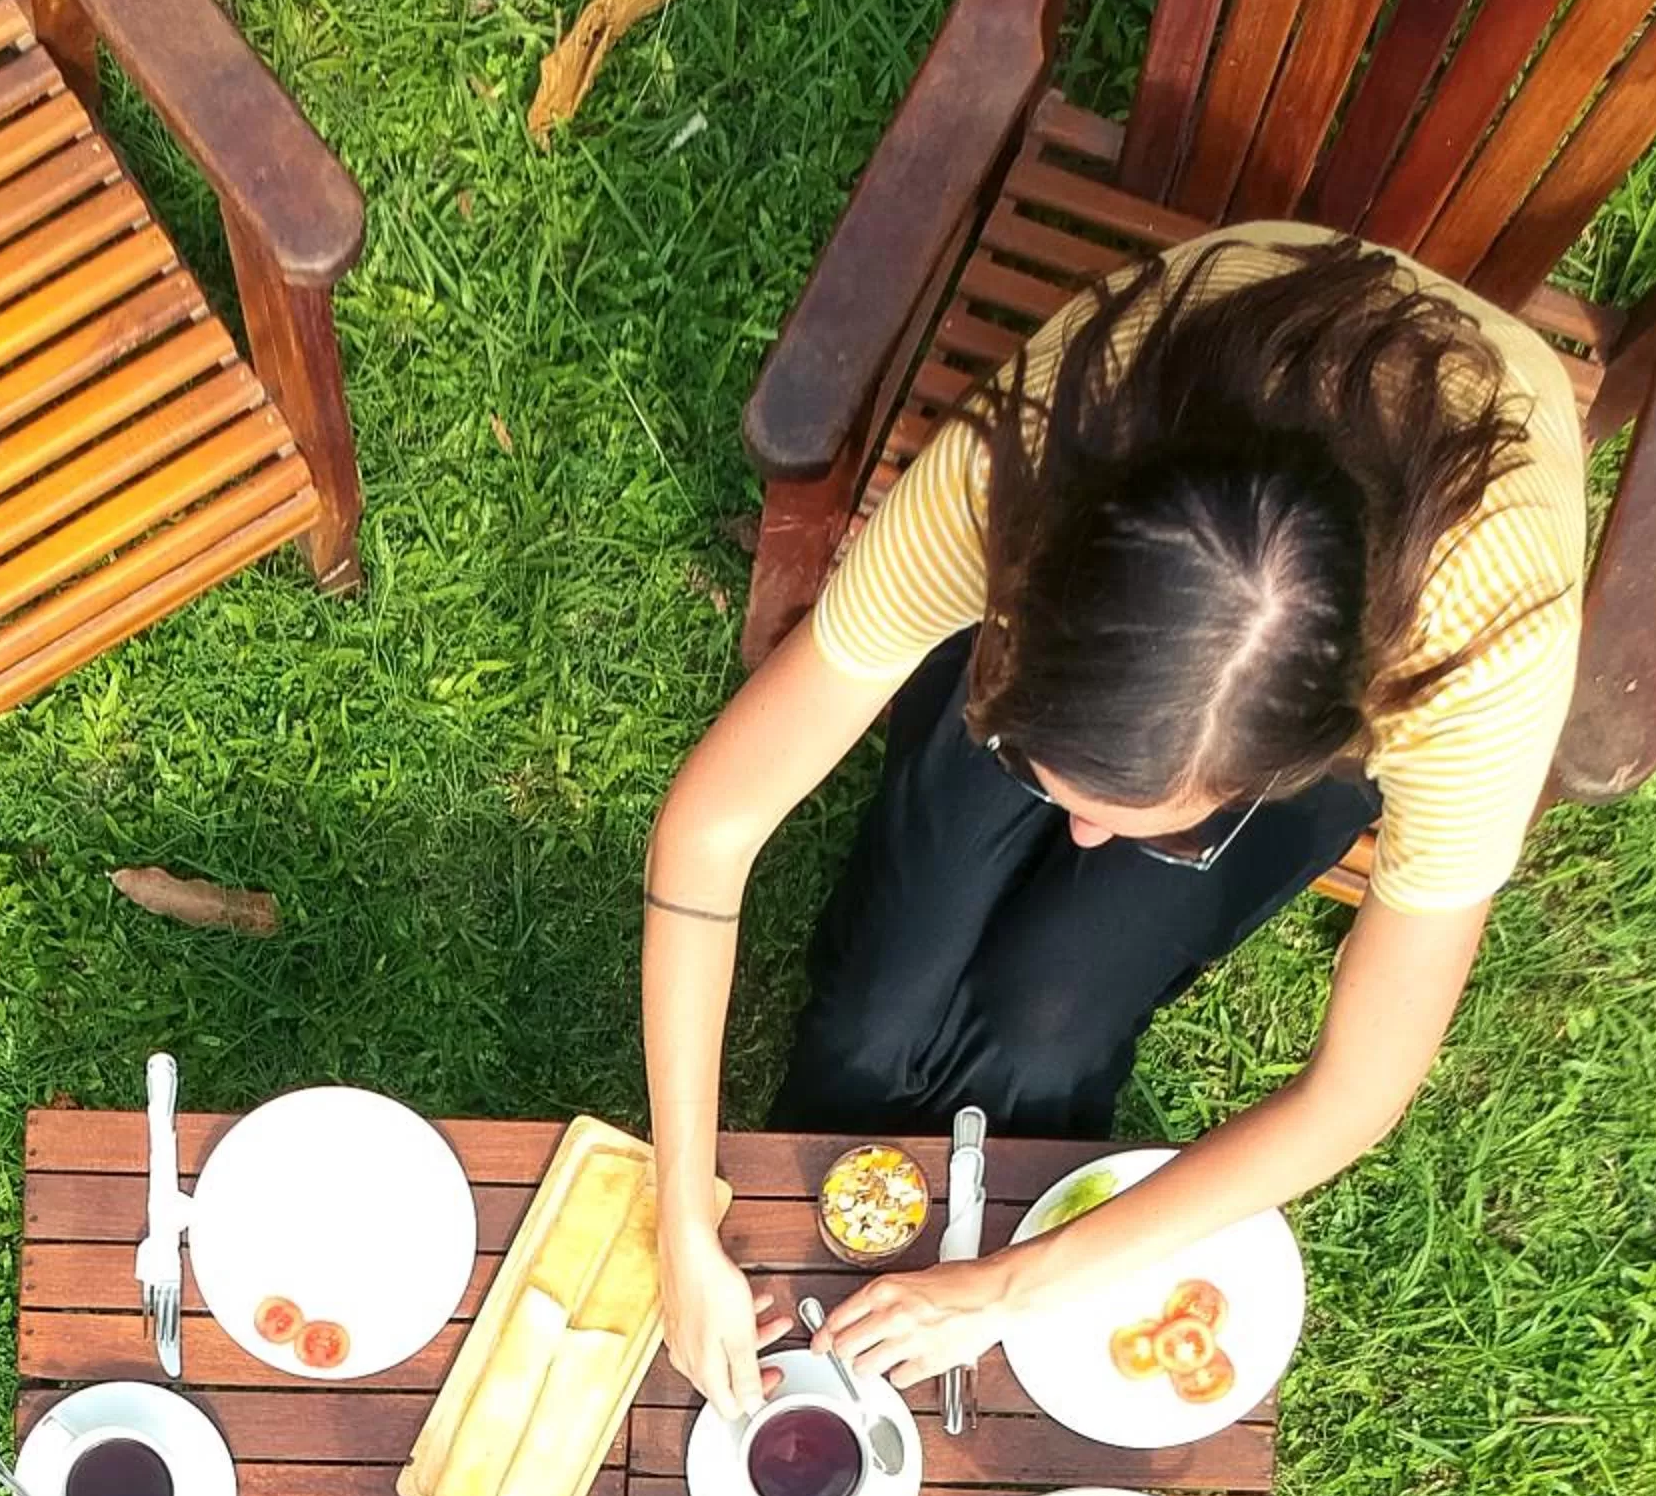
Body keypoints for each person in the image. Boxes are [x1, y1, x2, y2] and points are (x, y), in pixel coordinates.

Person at [641, 225, 1585, 1417]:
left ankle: (1019, 1094)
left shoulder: (1474, 669)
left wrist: (1008, 1288)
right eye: (1041, 773)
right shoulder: (1004, 483)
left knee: (1044, 1026)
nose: (1080, 840)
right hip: (1142, 493)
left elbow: (1355, 1092)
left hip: (1373, 619)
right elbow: (709, 830)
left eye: (1159, 826)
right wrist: (682, 1214)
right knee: (874, 1006)